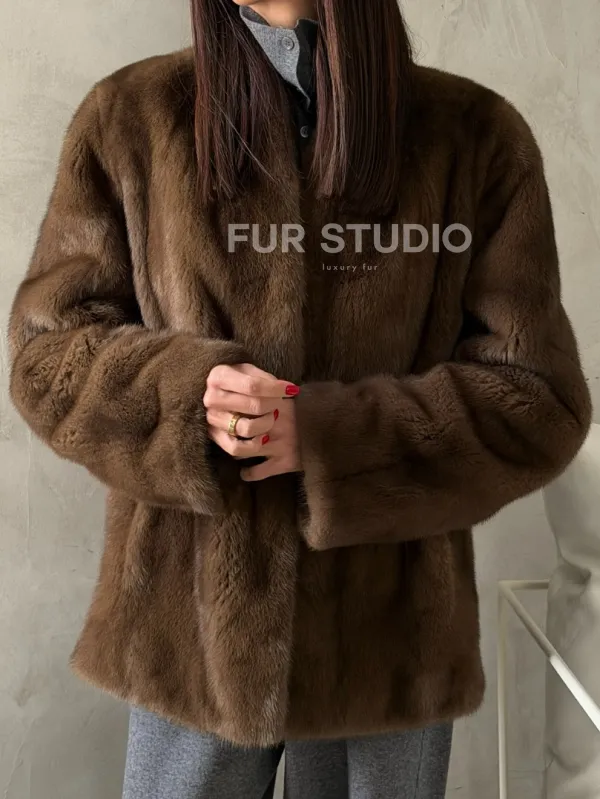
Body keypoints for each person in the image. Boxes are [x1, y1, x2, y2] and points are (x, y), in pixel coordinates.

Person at [8, 0, 591, 797]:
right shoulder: (130, 121)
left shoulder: (472, 137)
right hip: (191, 639)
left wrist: (330, 439)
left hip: (389, 647)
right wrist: (189, 399)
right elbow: (48, 354)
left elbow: (537, 398)